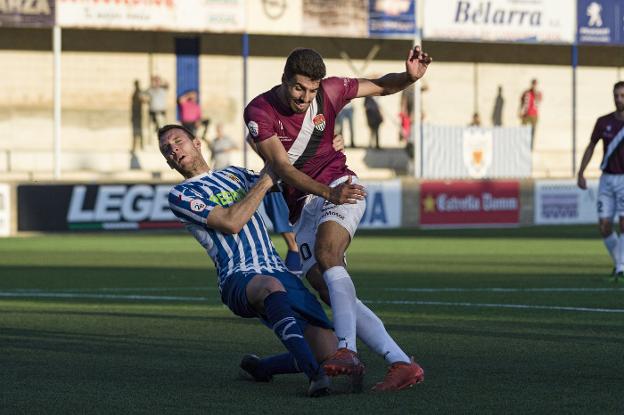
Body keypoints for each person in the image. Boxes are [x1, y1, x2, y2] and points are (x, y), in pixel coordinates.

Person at [244, 46, 431, 391]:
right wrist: (324, 194)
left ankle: (346, 351)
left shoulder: (330, 91)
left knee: (329, 254)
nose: (306, 97)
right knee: (328, 289)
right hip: (302, 205)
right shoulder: (259, 111)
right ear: (284, 80)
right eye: (299, 88)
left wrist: (408, 77)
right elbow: (283, 168)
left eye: (312, 90)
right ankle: (401, 363)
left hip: (340, 185)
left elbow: (379, 85)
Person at [158, 123, 337, 397]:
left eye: (177, 141)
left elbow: (285, 175)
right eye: (167, 150)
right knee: (269, 287)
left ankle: (263, 368)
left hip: (278, 270)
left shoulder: (235, 174)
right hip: (237, 276)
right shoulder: (182, 195)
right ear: (169, 163)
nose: (174, 150)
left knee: (328, 349)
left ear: (197, 143)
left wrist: (326, 151)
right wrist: (266, 179)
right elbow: (231, 222)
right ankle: (315, 377)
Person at [577, 81, 624, 282]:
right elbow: (591, 147)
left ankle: (621, 268)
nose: (618, 99)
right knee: (604, 226)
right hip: (606, 179)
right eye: (616, 95)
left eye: (622, 95)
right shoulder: (603, 121)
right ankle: (620, 264)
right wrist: (581, 172)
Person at [519, 79, 542, 149]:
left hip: (534, 115)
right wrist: (520, 111)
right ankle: (523, 145)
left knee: (532, 131)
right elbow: (522, 102)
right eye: (533, 84)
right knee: (523, 130)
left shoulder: (538, 93)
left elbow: (539, 100)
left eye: (535, 84)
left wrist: (534, 92)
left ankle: (530, 147)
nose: (534, 86)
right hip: (526, 114)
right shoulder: (526, 92)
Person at [131, 80, 147, 152]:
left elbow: (143, 100)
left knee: (138, 130)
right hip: (135, 113)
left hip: (138, 114)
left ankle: (140, 146)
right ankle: (136, 146)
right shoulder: (136, 92)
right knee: (135, 130)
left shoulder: (139, 92)